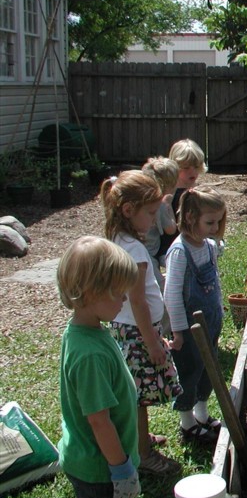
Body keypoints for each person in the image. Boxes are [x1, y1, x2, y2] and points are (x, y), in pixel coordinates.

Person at [100, 171, 183, 475]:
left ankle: (140, 439)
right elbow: (138, 302)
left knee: (133, 393)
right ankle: (143, 455)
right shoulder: (134, 251)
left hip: (127, 328)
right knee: (138, 398)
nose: (154, 219)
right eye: (150, 213)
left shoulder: (118, 239)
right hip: (137, 331)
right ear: (128, 211)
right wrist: (152, 342)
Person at [57, 236, 142, 498]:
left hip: (100, 463)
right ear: (93, 292)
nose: (125, 298)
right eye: (119, 292)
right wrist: (120, 470)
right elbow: (98, 420)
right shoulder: (89, 355)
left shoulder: (87, 330)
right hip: (102, 472)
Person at [163, 186, 227, 445]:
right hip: (188, 328)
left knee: (207, 368)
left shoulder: (208, 246)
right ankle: (187, 422)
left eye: (218, 221)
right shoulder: (179, 252)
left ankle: (202, 413)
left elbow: (214, 283)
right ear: (190, 218)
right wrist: (178, 330)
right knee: (189, 371)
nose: (215, 227)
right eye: (209, 222)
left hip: (210, 322)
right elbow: (172, 295)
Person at [158, 138, 206, 258]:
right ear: (175, 167)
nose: (192, 171)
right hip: (173, 247)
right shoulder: (172, 195)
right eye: (186, 167)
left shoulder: (197, 192)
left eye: (196, 166)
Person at [141, 156, 179, 290]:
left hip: (147, 249)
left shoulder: (144, 199)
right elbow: (170, 229)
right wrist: (169, 207)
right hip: (149, 253)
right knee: (159, 287)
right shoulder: (160, 203)